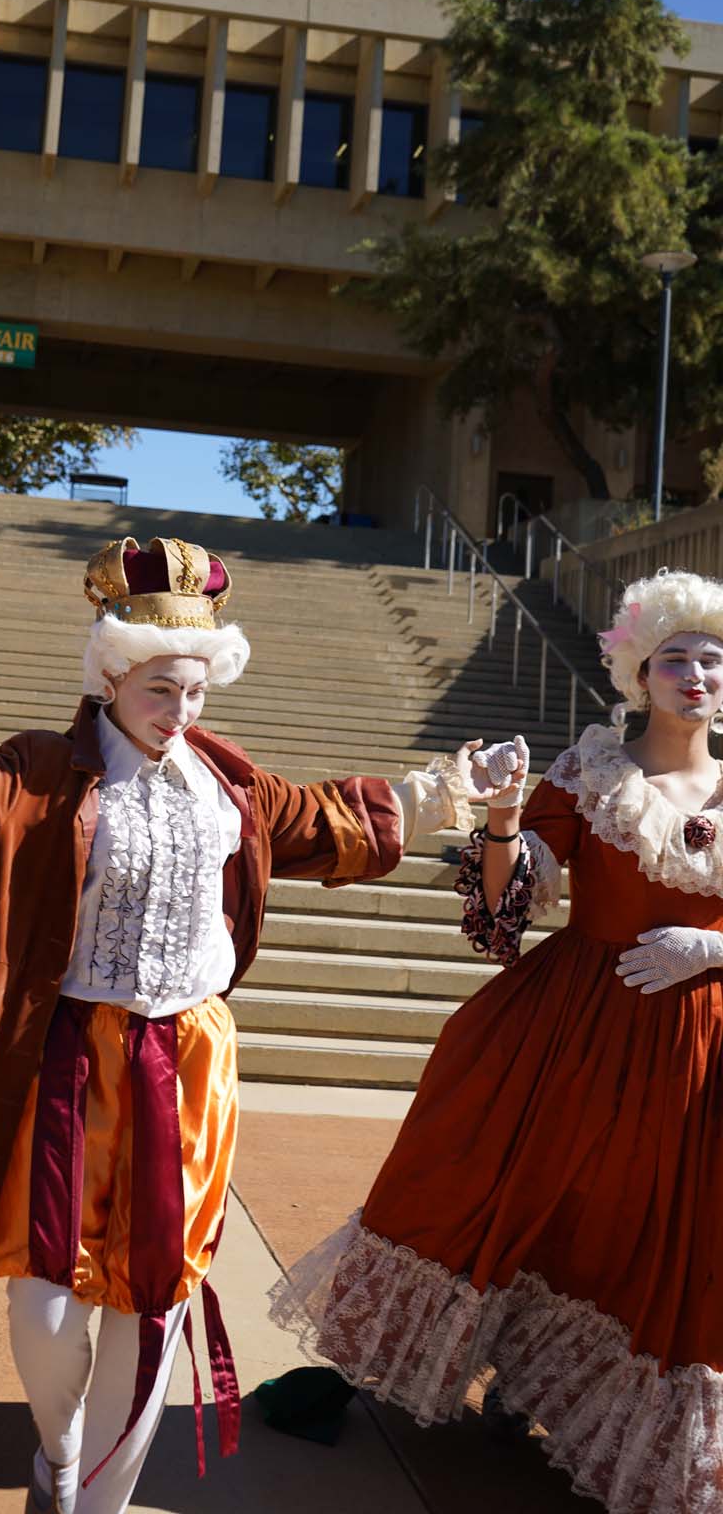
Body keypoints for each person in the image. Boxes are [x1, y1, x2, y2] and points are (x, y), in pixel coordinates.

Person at [0, 533, 483, 1514]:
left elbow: (335, 821)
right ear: (114, 676)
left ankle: (98, 1502)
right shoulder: (49, 770)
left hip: (189, 1059)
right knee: (44, 1293)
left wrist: (443, 788)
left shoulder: (232, 786)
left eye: (197, 690)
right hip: (71, 1056)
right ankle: (60, 1446)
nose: (181, 711)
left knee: (154, 1295)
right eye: (161, 689)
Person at [271, 567, 723, 1514]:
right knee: (490, 1190)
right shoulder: (590, 771)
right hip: (568, 1031)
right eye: (675, 655)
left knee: (657, 1232)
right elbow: (502, 918)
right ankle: (373, 1371)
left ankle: (575, 1403)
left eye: (713, 658)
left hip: (698, 1050)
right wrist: (508, 815)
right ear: (639, 672)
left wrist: (711, 946)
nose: (698, 672)